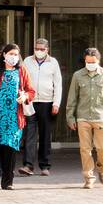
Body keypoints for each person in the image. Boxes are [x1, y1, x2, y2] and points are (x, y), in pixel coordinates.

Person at [0, 43, 35, 190]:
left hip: (15, 117)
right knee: (1, 148)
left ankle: (8, 180)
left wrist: (25, 96)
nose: (14, 57)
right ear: (4, 55)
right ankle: (5, 172)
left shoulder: (22, 70)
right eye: (11, 54)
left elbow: (31, 91)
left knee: (10, 146)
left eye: (16, 54)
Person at [65, 47, 103, 189]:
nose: (90, 64)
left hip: (101, 117)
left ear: (98, 61)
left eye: (93, 62)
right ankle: (89, 177)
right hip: (83, 118)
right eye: (88, 62)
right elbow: (72, 98)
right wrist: (70, 117)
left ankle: (101, 168)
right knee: (85, 149)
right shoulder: (77, 75)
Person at [19, 37, 62, 176]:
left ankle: (45, 166)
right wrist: (23, 96)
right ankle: (28, 165)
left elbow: (58, 84)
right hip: (30, 102)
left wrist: (56, 103)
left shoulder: (53, 62)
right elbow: (22, 81)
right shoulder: (27, 61)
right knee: (29, 134)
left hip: (47, 102)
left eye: (42, 49)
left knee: (45, 135)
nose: (39, 51)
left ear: (47, 50)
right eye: (37, 49)